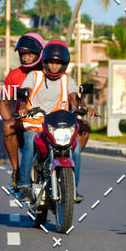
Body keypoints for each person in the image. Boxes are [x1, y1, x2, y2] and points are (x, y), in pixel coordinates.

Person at [17, 40, 94, 204]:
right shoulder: (34, 76)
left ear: (64, 64)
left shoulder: (68, 80)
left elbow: (74, 98)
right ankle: (24, 185)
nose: (53, 66)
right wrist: (23, 107)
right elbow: (26, 92)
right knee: (30, 139)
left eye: (58, 63)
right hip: (36, 123)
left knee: (77, 147)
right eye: (51, 62)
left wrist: (83, 108)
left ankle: (73, 188)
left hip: (58, 125)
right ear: (45, 61)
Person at [0, 32, 45, 190]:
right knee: (7, 127)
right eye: (22, 54)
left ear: (40, 52)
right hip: (25, 120)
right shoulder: (13, 76)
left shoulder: (51, 72)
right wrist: (9, 119)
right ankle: (16, 171)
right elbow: (3, 102)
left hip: (49, 121)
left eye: (29, 54)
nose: (25, 58)